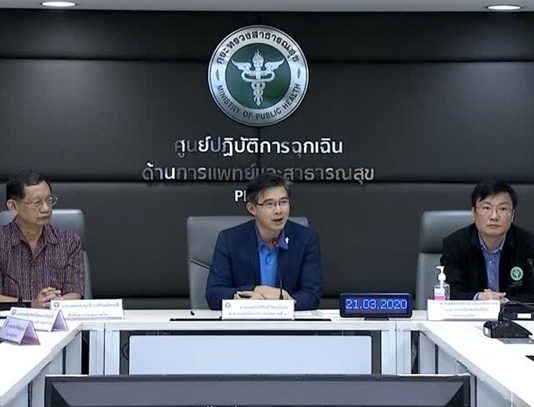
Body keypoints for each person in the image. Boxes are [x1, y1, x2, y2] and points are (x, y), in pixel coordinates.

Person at [205, 172, 323, 310]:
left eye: (283, 202)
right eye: (269, 204)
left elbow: (312, 295)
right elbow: (214, 294)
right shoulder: (230, 240)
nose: (278, 210)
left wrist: (283, 303)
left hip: (288, 322)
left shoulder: (306, 239)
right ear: (252, 208)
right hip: (244, 321)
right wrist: (257, 291)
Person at [0, 170, 84, 308]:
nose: (46, 208)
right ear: (13, 207)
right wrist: (31, 305)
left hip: (58, 318)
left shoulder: (70, 241)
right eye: (37, 203)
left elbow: (75, 290)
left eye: (49, 200)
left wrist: (57, 302)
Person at [441, 179, 534, 302]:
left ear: (512, 215)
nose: (494, 216)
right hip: (471, 313)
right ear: (473, 213)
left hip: (513, 313)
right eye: (486, 208)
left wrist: (505, 302)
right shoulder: (455, 244)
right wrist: (479, 298)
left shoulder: (528, 244)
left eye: (502, 209)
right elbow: (451, 291)